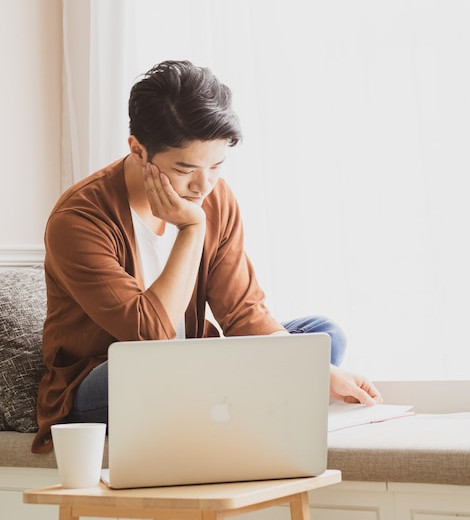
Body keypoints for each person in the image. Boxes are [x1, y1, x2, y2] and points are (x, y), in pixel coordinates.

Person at [33, 60, 382, 453]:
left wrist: (320, 369)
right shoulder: (79, 219)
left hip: (196, 363)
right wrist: (191, 230)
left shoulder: (217, 197)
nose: (204, 185)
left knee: (323, 335)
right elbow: (149, 336)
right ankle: (253, 394)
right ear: (138, 149)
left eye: (216, 166)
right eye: (185, 169)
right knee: (152, 370)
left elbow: (242, 313)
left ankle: (236, 392)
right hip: (108, 378)